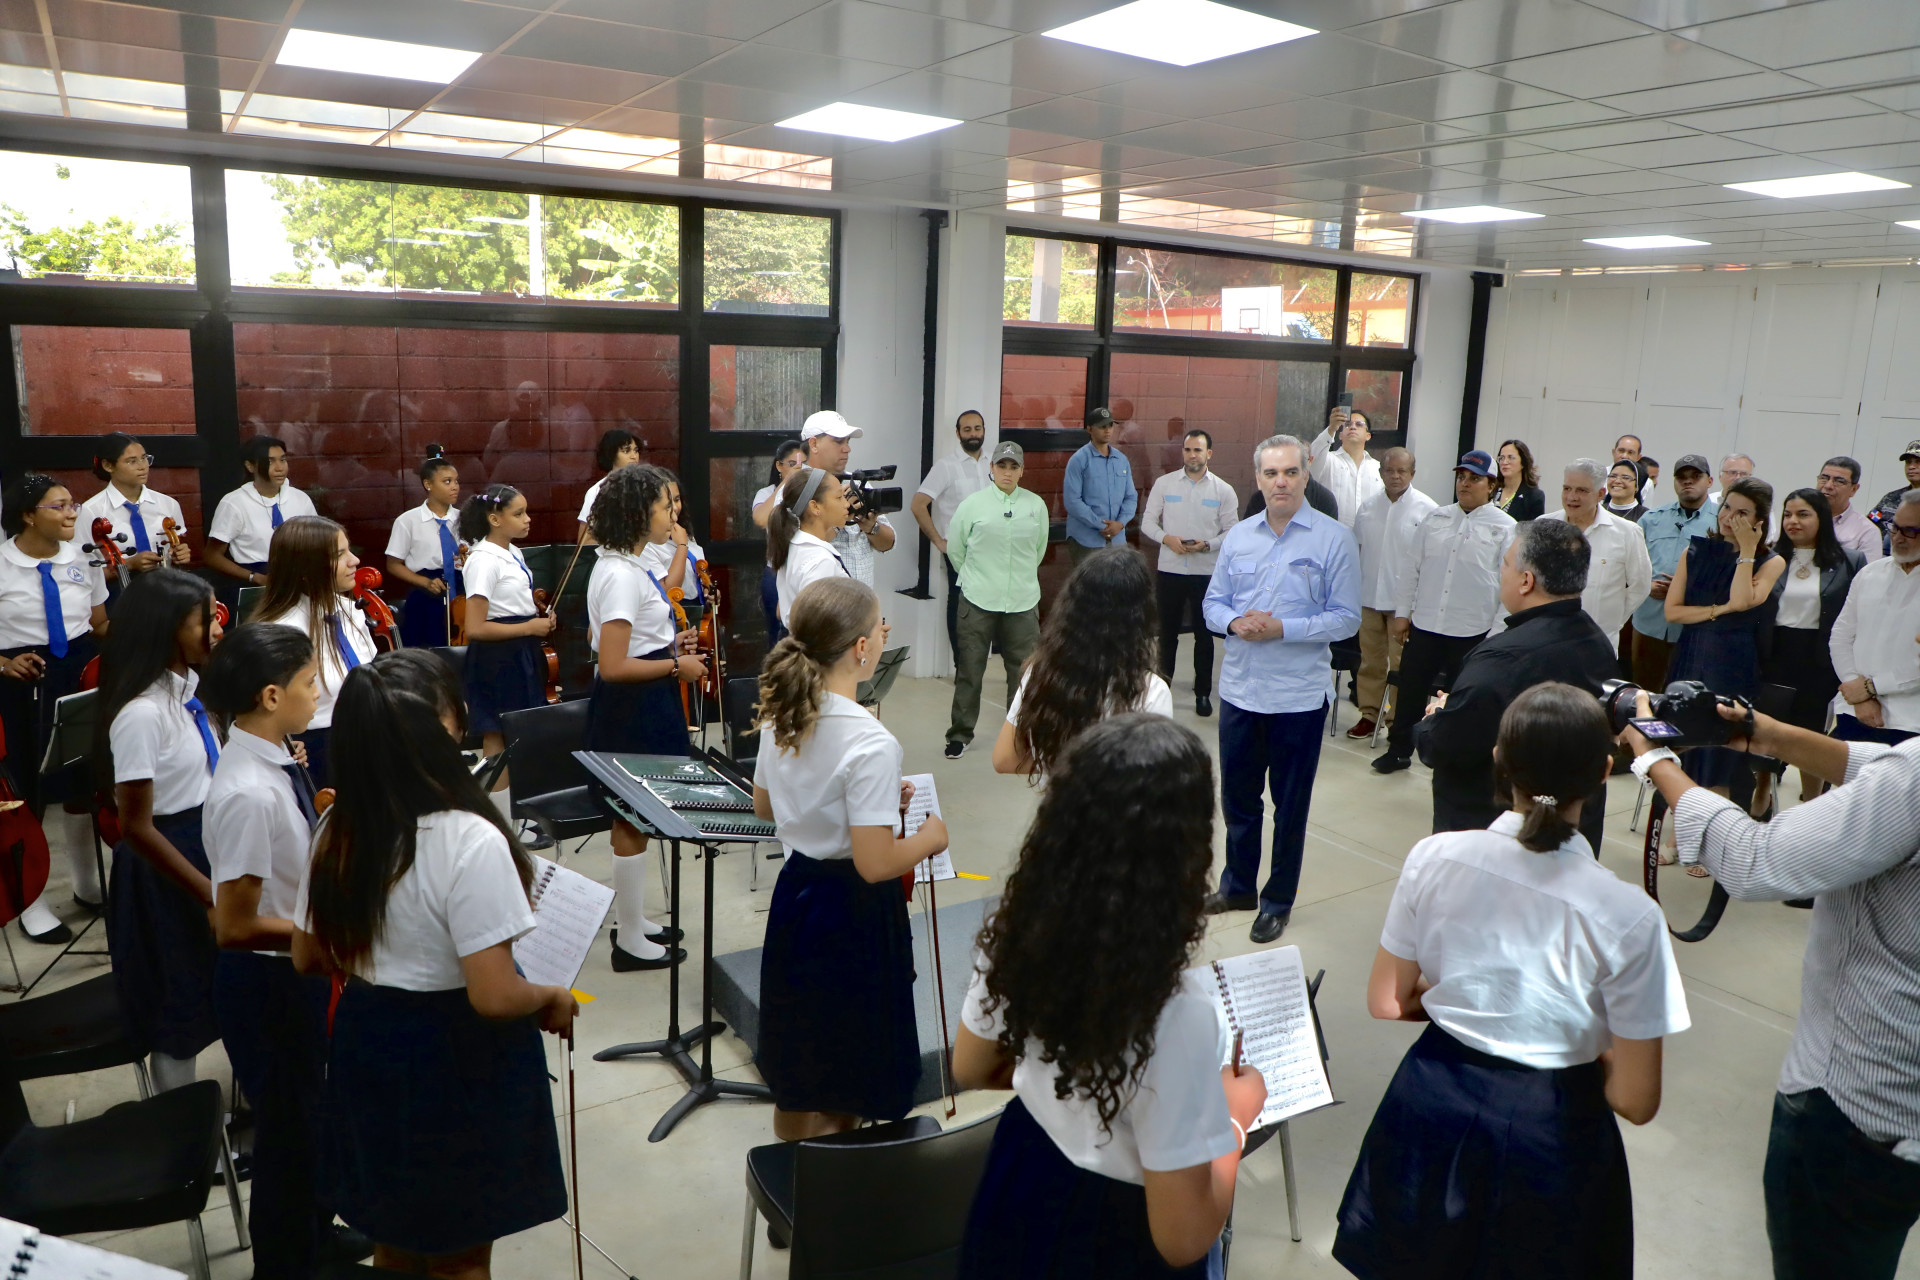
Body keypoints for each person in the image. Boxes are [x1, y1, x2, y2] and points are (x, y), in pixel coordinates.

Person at [1338, 683, 1689, 1280]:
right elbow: (1635, 1100)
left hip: (1430, 1100)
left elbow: (1387, 1000)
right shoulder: (1629, 915)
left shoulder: (1435, 856)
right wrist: (1595, 1043)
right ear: (1602, 772)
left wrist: (1465, 998)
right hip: (1552, 1130)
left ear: (1500, 760)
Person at [955, 715, 1266, 1279]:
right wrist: (1235, 1122)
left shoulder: (1016, 928)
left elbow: (971, 1066)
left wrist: (1065, 1088)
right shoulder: (1176, 1013)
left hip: (1021, 1169)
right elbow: (1182, 1239)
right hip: (1111, 1228)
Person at [293, 663, 573, 1277]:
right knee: (459, 1255)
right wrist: (551, 995)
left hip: (368, 1040)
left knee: (393, 1238)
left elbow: (307, 956)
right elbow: (494, 995)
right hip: (452, 1054)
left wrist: (384, 950)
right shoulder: (469, 839)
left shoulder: (336, 826)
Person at [1625, 701, 1920, 1280]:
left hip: (1857, 1105)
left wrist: (1655, 761)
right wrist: (1771, 737)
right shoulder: (1905, 776)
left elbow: (1754, 859)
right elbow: (1887, 777)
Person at [751, 577, 948, 1139]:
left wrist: (875, 804)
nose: (884, 635)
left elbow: (765, 806)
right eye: (880, 626)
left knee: (800, 1059)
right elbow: (875, 863)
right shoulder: (870, 740)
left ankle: (791, 1178)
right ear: (861, 648)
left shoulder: (783, 712)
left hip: (797, 896)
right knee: (848, 1073)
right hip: (853, 912)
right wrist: (931, 838)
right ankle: (836, 1185)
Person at [199, 622, 336, 1279]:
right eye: (310, 683)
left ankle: (317, 1239)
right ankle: (285, 1265)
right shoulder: (247, 794)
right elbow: (233, 925)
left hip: (292, 971)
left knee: (310, 1125)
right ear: (272, 695)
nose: (319, 693)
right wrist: (332, 935)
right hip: (267, 985)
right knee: (287, 1137)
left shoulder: (276, 758)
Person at [1202, 434, 1360, 944]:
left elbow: (1346, 618)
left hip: (1297, 699)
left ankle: (1276, 902)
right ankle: (1238, 888)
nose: (1281, 482)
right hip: (1241, 692)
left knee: (1289, 808)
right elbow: (1212, 604)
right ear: (1258, 479)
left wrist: (1282, 629)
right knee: (1238, 800)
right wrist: (1233, 623)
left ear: (1306, 475)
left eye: (1290, 472)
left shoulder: (1334, 539)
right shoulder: (1239, 537)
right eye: (1271, 474)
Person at [96, 568, 224, 1095]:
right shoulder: (142, 714)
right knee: (179, 1007)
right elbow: (136, 827)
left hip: (205, 842)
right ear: (168, 629)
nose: (218, 628)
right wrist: (207, 891)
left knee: (221, 989)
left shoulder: (191, 691)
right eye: (204, 620)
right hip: (166, 864)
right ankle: (181, 1123)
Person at [1417, 521, 1622, 849]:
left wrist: (1438, 715)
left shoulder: (1501, 659)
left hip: (1496, 833)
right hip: (1572, 828)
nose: (1502, 573)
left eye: (1505, 564)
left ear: (1526, 581)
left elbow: (1445, 745)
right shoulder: (1596, 643)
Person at [584, 463, 698, 973]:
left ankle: (634, 919)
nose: (672, 515)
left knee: (639, 816)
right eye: (663, 506)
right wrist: (675, 665)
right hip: (633, 706)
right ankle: (629, 938)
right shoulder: (619, 575)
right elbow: (611, 664)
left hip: (646, 696)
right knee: (631, 817)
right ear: (637, 513)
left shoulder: (628, 566)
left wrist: (670, 645)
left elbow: (633, 642)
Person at [0, 472, 109, 942]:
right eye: (59, 506)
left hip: (78, 673)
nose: (71, 513)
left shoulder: (85, 557)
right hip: (20, 680)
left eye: (72, 504)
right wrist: (4, 664)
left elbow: (99, 622)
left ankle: (87, 884)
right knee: (29, 790)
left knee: (83, 781)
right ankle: (32, 901)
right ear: (28, 515)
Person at [1374, 450, 1516, 774]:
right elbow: (1411, 568)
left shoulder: (1506, 527)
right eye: (1461, 477)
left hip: (1472, 631)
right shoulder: (1436, 518)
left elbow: (1508, 585)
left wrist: (1496, 634)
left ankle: (1451, 759)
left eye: (1474, 479)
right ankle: (1399, 750)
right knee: (1410, 691)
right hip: (1426, 624)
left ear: (1491, 485)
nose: (1464, 484)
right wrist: (1402, 613)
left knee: (1460, 699)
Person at [1664, 477, 1785, 834]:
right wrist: (1718, 610)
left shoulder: (1771, 561)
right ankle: (1680, 829)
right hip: (1691, 652)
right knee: (1683, 736)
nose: (1730, 517)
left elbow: (1743, 601)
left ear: (1759, 520)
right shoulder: (1694, 551)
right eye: (1727, 507)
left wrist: (1746, 549)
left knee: (1719, 746)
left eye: (1742, 513)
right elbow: (1673, 611)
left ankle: (1714, 833)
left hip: (1733, 658)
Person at [993, 546, 1172, 779]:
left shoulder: (1041, 671)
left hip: (1057, 800)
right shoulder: (1151, 691)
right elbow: (1152, 781)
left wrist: (1055, 764)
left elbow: (1004, 758)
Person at [252, 516, 377, 791]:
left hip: (366, 734)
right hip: (318, 748)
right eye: (340, 555)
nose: (355, 561)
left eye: (349, 550)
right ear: (306, 568)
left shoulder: (351, 610)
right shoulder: (282, 630)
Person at [945, 442, 1049, 760]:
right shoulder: (972, 505)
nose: (1007, 472)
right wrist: (977, 578)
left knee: (1023, 673)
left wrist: (1016, 580)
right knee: (970, 669)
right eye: (1001, 466)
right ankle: (960, 734)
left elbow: (1039, 550)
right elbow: (956, 550)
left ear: (1022, 471)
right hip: (978, 599)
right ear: (991, 469)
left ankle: (1019, 735)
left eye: (1013, 467)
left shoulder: (1036, 506)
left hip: (1022, 602)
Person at [456, 484, 555, 814]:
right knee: (497, 733)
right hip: (497, 656)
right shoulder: (483, 560)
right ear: (494, 519)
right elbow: (475, 627)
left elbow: (512, 604)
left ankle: (522, 810)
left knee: (523, 730)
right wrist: (529, 627)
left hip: (521, 648)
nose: (528, 520)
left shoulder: (513, 551)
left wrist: (538, 616)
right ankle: (497, 815)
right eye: (519, 514)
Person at [1766, 488, 1863, 802]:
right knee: (1768, 729)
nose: (1792, 521)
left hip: (1819, 659)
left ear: (1821, 518)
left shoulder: (1850, 561)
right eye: (1787, 514)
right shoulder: (1770, 558)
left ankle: (1813, 800)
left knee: (1810, 736)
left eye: (1803, 514)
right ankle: (1761, 795)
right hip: (1775, 654)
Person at [1139, 428, 1238, 718]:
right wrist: (1167, 539)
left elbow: (1233, 531)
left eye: (1198, 450)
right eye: (1187, 450)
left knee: (1204, 636)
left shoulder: (1223, 490)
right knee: (1166, 634)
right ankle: (1162, 691)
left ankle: (1202, 693)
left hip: (1205, 572)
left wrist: (1208, 544)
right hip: (1170, 570)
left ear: (1209, 454)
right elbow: (1147, 522)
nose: (1192, 455)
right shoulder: (1165, 484)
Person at [1348, 448, 1435, 742]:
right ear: (1381, 472)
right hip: (1368, 598)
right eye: (1390, 470)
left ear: (1412, 474)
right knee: (1369, 663)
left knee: (1400, 668)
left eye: (1402, 471)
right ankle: (1369, 715)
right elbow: (1357, 551)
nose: (1395, 476)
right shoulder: (1367, 507)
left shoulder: (1427, 510)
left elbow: (1429, 562)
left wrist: (1413, 606)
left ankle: (1398, 720)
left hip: (1403, 606)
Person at [1829, 489, 1920, 745]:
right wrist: (1857, 691)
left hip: (1910, 721)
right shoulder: (1870, 573)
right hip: (1854, 710)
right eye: (1895, 527)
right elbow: (1840, 637)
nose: (1897, 538)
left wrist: (1872, 688)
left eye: (1910, 531)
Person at [1629, 453, 1719, 693]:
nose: (1687, 481)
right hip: (1649, 622)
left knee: (1685, 695)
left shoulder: (1722, 521)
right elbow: (1630, 566)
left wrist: (1685, 590)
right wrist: (1646, 585)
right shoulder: (1652, 519)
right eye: (1681, 477)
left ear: (1710, 481)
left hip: (1693, 627)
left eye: (1695, 476)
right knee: (1644, 692)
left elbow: (1726, 575)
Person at [1542, 458, 1652, 647]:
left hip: (1597, 642)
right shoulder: (1543, 527)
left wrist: (1613, 621)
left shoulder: (1627, 532)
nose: (1571, 497)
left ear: (1600, 494)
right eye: (1567, 488)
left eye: (1582, 490)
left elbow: (1640, 586)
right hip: (1547, 639)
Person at [912, 409, 990, 651]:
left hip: (991, 547)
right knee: (960, 603)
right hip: (960, 550)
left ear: (984, 431)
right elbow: (918, 505)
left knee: (988, 603)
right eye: (967, 430)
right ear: (958, 434)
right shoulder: (946, 466)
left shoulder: (994, 463)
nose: (973, 434)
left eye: (977, 428)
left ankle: (979, 657)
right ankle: (961, 662)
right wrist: (938, 541)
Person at [205, 435, 317, 602]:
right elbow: (212, 555)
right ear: (250, 466)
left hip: (298, 579)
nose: (280, 468)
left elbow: (317, 543)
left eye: (283, 460)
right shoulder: (234, 503)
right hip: (256, 581)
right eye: (270, 462)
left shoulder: (300, 499)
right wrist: (254, 577)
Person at [77, 433, 192, 583]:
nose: (142, 466)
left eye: (144, 458)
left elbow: (176, 552)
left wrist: (180, 556)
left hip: (165, 588)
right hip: (118, 591)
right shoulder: (90, 511)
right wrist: (129, 565)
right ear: (108, 466)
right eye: (132, 461)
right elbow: (82, 574)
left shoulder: (169, 504)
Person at [801, 410, 894, 587]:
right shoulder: (796, 488)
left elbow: (888, 544)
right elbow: (795, 548)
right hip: (823, 599)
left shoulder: (858, 483)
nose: (847, 448)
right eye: (838, 441)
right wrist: (841, 517)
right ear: (814, 444)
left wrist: (871, 527)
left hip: (863, 599)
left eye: (848, 441)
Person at [384, 447, 464, 649]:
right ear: (428, 484)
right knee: (427, 648)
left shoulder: (464, 519)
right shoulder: (408, 521)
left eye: (456, 481)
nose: (455, 487)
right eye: (447, 482)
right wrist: (425, 582)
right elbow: (393, 564)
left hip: (461, 590)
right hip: (426, 591)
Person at [770, 467, 853, 629]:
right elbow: (817, 626)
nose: (846, 504)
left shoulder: (793, 545)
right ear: (815, 507)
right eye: (839, 497)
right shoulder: (819, 561)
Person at [751, 438, 808, 645]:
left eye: (803, 465)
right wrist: (786, 484)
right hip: (777, 570)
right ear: (779, 465)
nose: (798, 469)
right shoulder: (766, 493)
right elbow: (760, 519)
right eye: (792, 464)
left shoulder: (810, 494)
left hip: (804, 569)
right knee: (777, 635)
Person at [1063, 406, 1136, 563]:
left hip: (1117, 540)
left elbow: (1131, 497)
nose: (1107, 430)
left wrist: (1120, 523)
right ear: (1089, 429)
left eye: (1110, 425)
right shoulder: (1079, 460)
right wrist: (1101, 525)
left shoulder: (1121, 460)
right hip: (1086, 540)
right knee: (1089, 579)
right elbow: (1072, 501)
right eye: (1102, 426)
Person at [1309, 404, 1384, 529]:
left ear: (1368, 435)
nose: (1353, 427)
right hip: (1331, 533)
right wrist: (1332, 428)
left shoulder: (1378, 468)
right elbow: (1313, 455)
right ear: (1340, 435)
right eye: (1348, 424)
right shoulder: (1328, 460)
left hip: (1367, 537)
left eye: (1359, 424)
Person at [575, 427, 641, 546]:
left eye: (635, 450)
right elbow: (584, 541)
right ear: (611, 454)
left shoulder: (648, 487)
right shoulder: (597, 491)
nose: (634, 456)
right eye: (626, 451)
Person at [1816, 455, 1883, 563]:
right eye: (1824, 478)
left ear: (1854, 489)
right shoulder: (1798, 518)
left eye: (1839, 481)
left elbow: (1867, 572)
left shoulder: (1867, 531)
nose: (1828, 486)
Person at [1870, 439, 1920, 556]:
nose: (1911, 467)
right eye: (1908, 462)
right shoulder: (1891, 498)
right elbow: (1870, 524)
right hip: (1884, 560)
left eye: (1918, 462)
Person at [1492, 438, 1545, 521]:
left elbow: (1535, 528)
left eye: (1511, 457)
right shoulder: (1491, 489)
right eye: (1502, 458)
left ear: (1523, 463)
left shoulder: (1534, 496)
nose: (1505, 462)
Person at [1604, 458, 1648, 524]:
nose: (1617, 481)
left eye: (1625, 478)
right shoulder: (1596, 511)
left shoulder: (1646, 517)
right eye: (1613, 476)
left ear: (1637, 486)